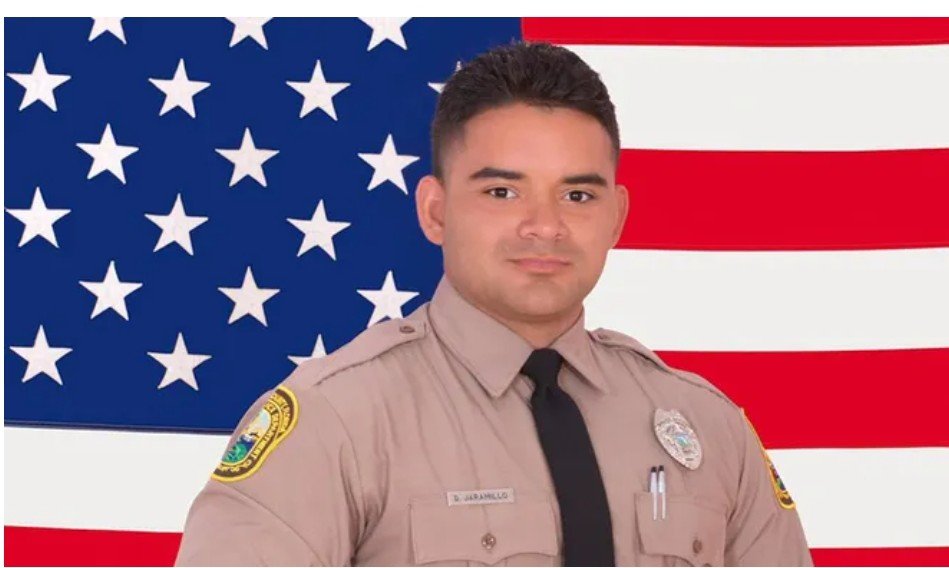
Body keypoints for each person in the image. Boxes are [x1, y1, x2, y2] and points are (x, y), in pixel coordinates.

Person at [174, 40, 814, 567]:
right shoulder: (334, 421)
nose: (544, 226)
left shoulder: (708, 426)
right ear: (434, 210)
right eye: (503, 192)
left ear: (617, 216)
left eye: (578, 196)